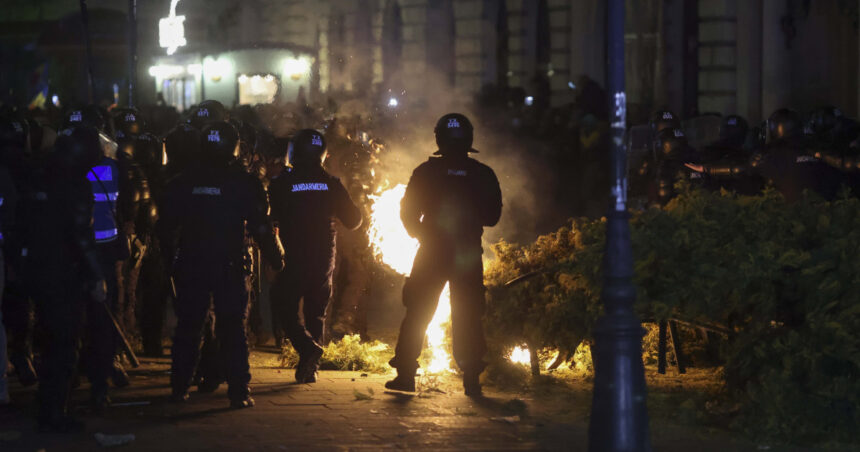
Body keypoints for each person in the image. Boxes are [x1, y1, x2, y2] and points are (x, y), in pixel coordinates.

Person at [158, 121, 283, 408]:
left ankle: (179, 389)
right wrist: (276, 257)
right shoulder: (243, 181)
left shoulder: (184, 179)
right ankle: (238, 391)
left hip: (192, 262)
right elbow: (261, 225)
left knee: (188, 327)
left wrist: (169, 260)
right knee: (232, 328)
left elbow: (165, 224)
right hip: (228, 263)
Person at [385, 113, 502, 396]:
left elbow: (407, 212)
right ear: (469, 140)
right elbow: (492, 216)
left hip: (432, 253)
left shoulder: (426, 172)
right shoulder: (482, 173)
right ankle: (472, 377)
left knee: (418, 310)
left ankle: (405, 375)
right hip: (466, 255)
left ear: (438, 139)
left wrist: (422, 234)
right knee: (469, 312)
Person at [19, 126, 106, 431]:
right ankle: (55, 412)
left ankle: (48, 407)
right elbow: (81, 235)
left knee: (47, 342)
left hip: (35, 270)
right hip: (63, 274)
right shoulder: (74, 184)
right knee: (64, 345)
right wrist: (96, 276)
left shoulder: (36, 175)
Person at [269, 129, 362, 383]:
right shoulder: (332, 183)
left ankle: (307, 348)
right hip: (323, 255)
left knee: (283, 304)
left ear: (294, 152)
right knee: (316, 311)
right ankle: (310, 368)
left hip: (292, 254)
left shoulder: (281, 184)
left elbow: (268, 216)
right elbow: (354, 221)